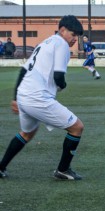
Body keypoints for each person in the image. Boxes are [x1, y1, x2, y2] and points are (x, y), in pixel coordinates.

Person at [0, 15, 85, 180]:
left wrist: (15, 98)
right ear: (62, 30)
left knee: (27, 133)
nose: (75, 39)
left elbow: (23, 70)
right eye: (73, 34)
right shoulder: (61, 44)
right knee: (77, 127)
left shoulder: (45, 43)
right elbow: (59, 76)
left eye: (77, 36)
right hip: (37, 97)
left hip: (24, 95)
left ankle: (1, 166)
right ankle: (63, 170)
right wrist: (63, 85)